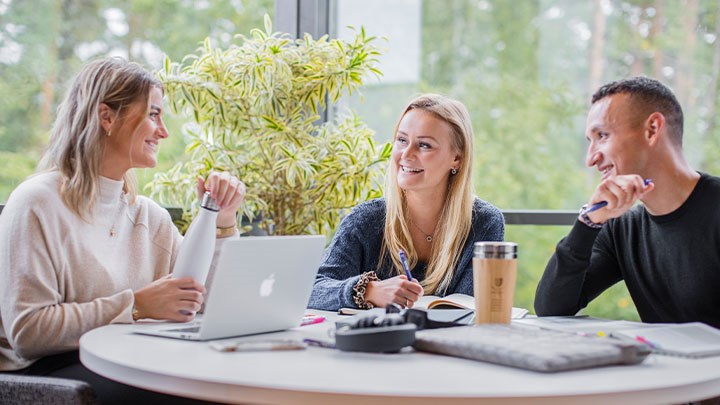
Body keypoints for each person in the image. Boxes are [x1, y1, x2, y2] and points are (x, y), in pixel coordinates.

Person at [0, 57, 245, 403]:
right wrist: (136, 306)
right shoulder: (36, 203)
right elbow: (28, 331)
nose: (163, 132)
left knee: (222, 383)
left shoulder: (148, 217)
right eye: (154, 114)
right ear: (107, 117)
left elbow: (205, 302)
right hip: (47, 374)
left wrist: (221, 222)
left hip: (127, 358)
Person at [535, 76, 720, 330]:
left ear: (652, 129)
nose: (591, 159)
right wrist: (588, 222)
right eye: (590, 141)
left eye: (602, 135)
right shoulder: (622, 229)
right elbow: (551, 308)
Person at [308, 93, 504, 311]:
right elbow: (312, 291)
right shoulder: (366, 219)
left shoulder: (484, 222)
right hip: (379, 344)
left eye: (424, 145)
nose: (406, 154)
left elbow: (471, 306)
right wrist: (369, 291)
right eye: (402, 140)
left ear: (456, 158)